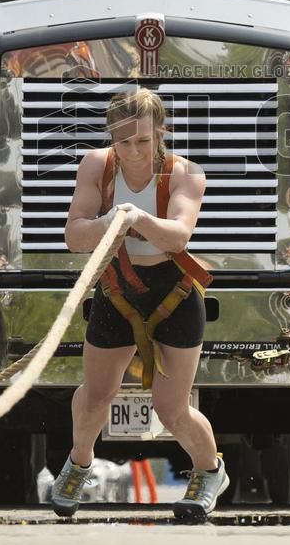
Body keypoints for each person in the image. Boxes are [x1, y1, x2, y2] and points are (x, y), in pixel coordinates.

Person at [51, 87, 228, 520]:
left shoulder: (185, 174)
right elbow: (75, 236)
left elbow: (179, 235)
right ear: (112, 136)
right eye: (123, 141)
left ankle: (209, 472)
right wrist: (110, 220)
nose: (133, 151)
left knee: (171, 407)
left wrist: (139, 219)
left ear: (160, 134)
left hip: (174, 292)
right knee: (95, 396)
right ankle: (78, 464)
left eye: (143, 141)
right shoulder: (97, 166)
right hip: (118, 288)